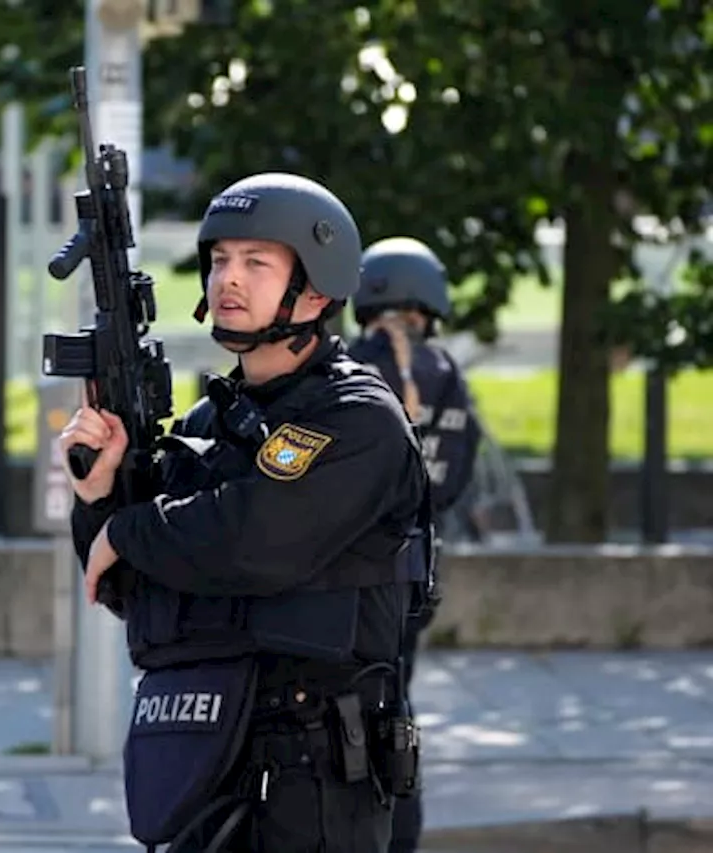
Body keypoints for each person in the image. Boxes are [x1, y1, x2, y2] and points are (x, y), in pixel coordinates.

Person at [59, 173, 432, 853]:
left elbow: (255, 539)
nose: (228, 279)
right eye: (220, 259)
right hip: (204, 757)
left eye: (256, 262)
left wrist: (128, 529)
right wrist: (100, 495)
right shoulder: (212, 421)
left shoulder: (357, 418)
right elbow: (127, 587)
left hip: (313, 778)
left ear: (316, 289)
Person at [347, 236, 483, 853]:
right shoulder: (447, 374)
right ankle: (399, 836)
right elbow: (455, 478)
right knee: (394, 704)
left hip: (344, 578)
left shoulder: (345, 366)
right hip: (415, 578)